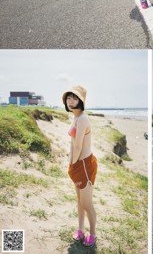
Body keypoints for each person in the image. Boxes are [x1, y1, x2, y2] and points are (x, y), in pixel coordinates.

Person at [62, 85, 98, 248]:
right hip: (77, 163)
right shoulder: (75, 117)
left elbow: (77, 146)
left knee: (87, 203)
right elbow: (72, 145)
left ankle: (93, 234)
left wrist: (72, 165)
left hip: (83, 165)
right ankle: (80, 229)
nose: (71, 101)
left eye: (75, 98)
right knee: (79, 201)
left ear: (81, 101)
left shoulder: (82, 118)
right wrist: (71, 163)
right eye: (69, 97)